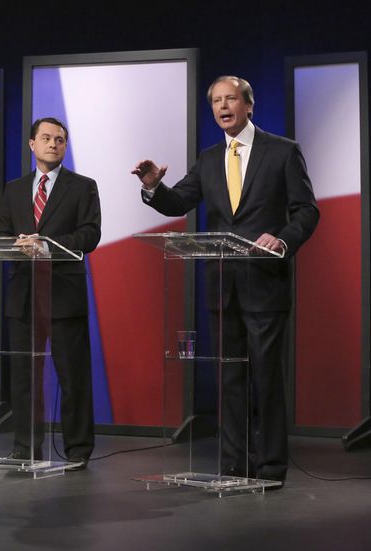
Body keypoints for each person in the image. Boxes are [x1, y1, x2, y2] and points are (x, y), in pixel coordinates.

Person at [132, 76, 319, 483]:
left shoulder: (283, 151)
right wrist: (153, 187)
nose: (222, 106)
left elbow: (307, 210)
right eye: (216, 101)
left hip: (265, 283)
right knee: (230, 377)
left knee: (266, 377)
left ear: (248, 105)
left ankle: (270, 467)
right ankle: (235, 463)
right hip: (222, 286)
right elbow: (180, 200)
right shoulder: (209, 156)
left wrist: (282, 239)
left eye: (230, 98)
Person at [0, 117, 101, 468]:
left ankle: (78, 449)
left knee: (73, 377)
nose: (53, 143)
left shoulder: (83, 186)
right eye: (46, 138)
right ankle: (25, 448)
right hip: (24, 294)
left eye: (59, 139)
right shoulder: (13, 188)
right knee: (24, 377)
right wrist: (17, 245)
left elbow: (90, 235)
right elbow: (1, 236)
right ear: (31, 144)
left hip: (64, 293)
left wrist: (47, 246)